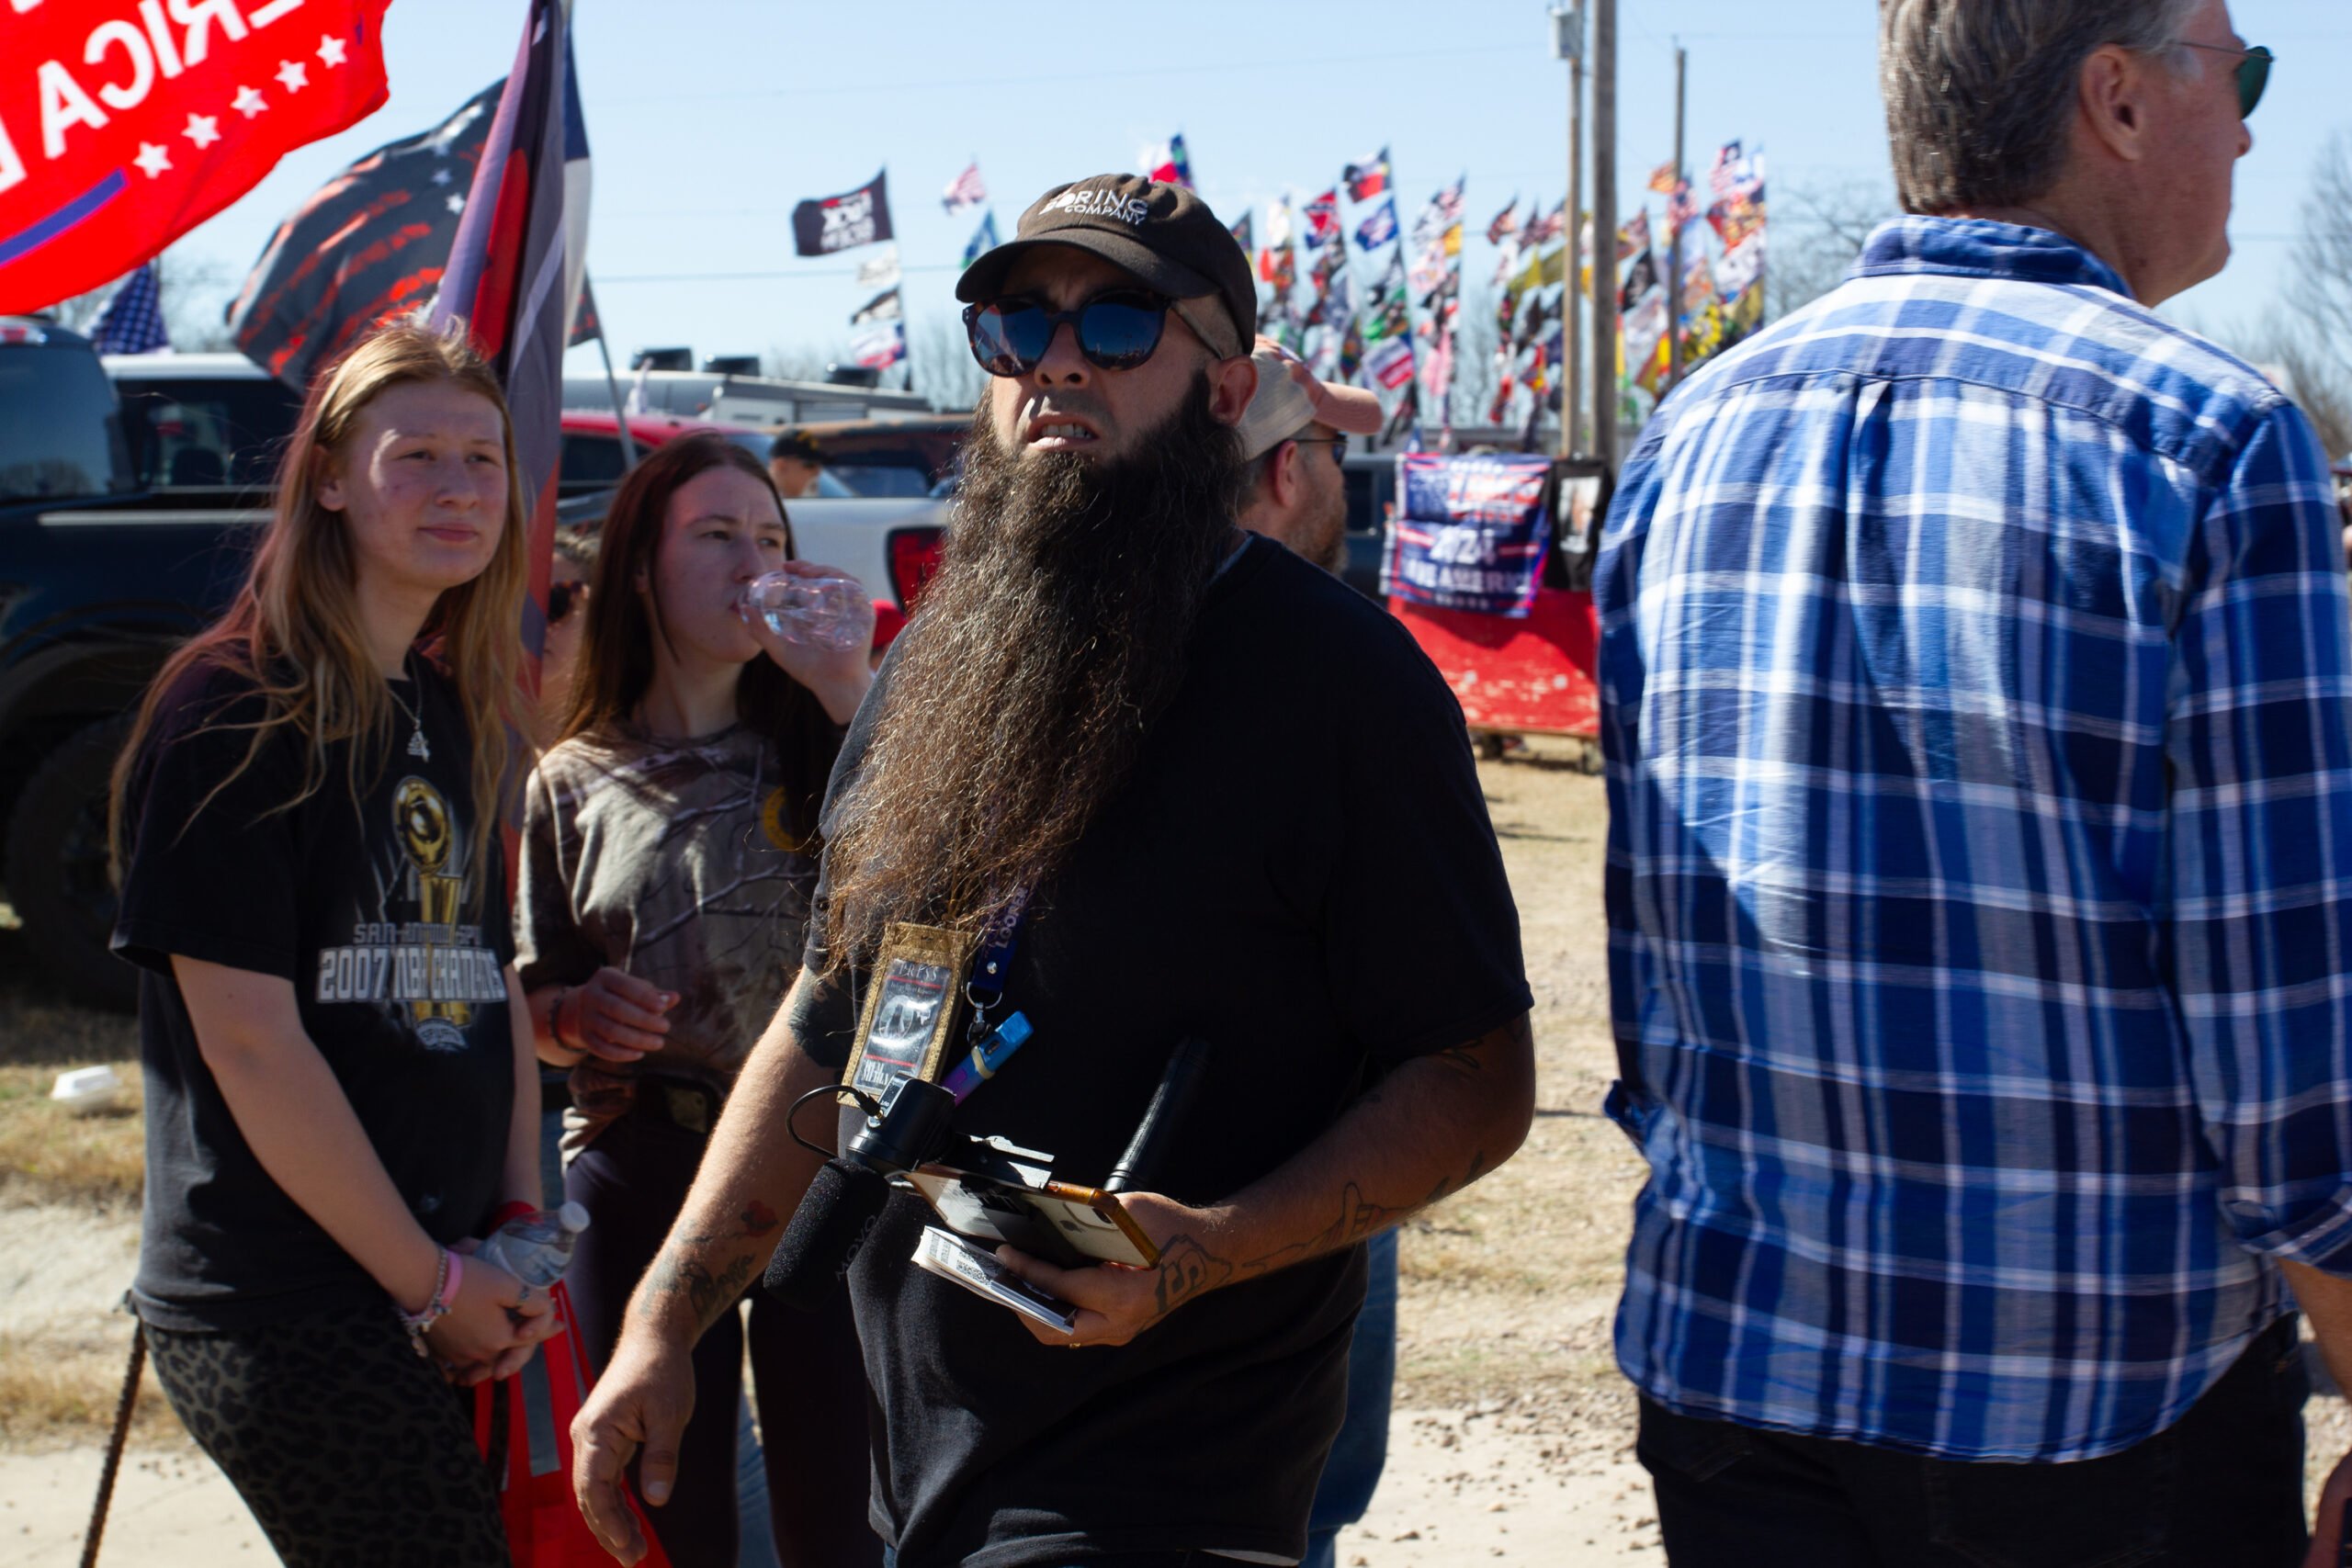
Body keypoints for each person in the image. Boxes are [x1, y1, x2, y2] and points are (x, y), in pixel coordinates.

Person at [573, 173, 1537, 1568]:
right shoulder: (937, 661)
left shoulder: (1338, 681)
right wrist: (664, 1322)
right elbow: (832, 1013)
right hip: (927, 1477)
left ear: (1227, 388)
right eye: (1017, 325)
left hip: (1171, 1492)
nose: (1059, 361)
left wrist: (1201, 1242)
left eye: (1123, 323)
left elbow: (1475, 1078)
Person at [1599, 5, 2352, 1563]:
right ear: (2120, 104)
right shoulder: (2210, 441)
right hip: (2096, 1409)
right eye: (2244, 72)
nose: (2256, 126)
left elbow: (1658, 988)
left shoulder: (1686, 437)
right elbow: (2293, 1078)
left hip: (1737, 1373)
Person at [106, 322, 559, 1568]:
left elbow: (489, 986)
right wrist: (430, 1283)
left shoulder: (451, 704)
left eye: (482, 456)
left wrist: (513, 1228)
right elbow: (251, 1044)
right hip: (289, 1297)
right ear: (328, 477)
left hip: (450, 1273)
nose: (460, 487)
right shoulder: (234, 706)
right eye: (415, 456)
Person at [517, 432, 876, 1568]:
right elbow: (519, 1008)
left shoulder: (834, 734)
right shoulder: (567, 780)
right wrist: (569, 1017)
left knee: (848, 1522)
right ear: (638, 570)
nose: (752, 561)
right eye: (715, 535)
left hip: (825, 1164)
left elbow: (939, 899)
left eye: (770, 537)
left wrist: (844, 692)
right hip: (641, 1168)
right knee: (664, 1520)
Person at [1233, 338, 1394, 1568]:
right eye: (1335, 449)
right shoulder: (1345, 670)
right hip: (1291, 1178)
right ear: (1290, 471)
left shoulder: (1060, 641)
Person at [1233, 336, 1382, 577]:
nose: (1341, 479)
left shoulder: (1162, 600)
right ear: (1287, 471)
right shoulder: (1314, 614)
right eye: (1336, 450)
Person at [767, 429, 825, 500]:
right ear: (780, 465)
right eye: (810, 465)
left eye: (820, 465)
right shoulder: (757, 503)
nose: (817, 472)